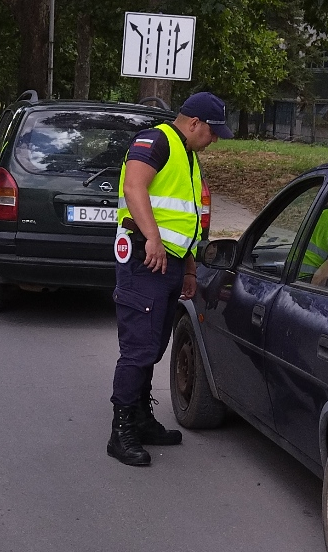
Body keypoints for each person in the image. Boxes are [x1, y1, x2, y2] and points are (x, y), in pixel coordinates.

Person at [108, 91, 233, 466]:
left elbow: (188, 218)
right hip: (146, 259)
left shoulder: (188, 156)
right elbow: (134, 187)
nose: (213, 141)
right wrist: (154, 239)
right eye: (212, 132)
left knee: (154, 345)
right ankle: (121, 430)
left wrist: (190, 268)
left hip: (170, 264)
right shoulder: (156, 140)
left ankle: (142, 419)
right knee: (137, 349)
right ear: (194, 122)